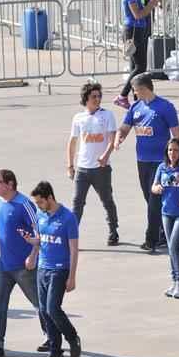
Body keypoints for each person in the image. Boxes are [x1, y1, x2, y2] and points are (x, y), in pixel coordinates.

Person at [0, 170, 46, 357]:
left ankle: (52, 337)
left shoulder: (24, 205)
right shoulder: (0, 202)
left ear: (10, 184)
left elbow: (40, 231)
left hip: (25, 266)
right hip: (4, 264)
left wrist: (33, 256)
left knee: (40, 303)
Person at [115, 73, 179, 253]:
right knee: (150, 199)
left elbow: (177, 134)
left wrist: (177, 159)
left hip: (160, 162)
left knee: (154, 201)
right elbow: (125, 128)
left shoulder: (165, 107)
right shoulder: (136, 107)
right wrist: (118, 138)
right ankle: (163, 234)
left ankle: (150, 240)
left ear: (144, 89)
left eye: (135, 91)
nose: (134, 94)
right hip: (142, 161)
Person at [23, 181, 81, 357]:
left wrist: (72, 276)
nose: (38, 206)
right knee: (44, 311)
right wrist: (32, 252)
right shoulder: (41, 215)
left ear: (49, 198)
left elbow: (73, 249)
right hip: (42, 268)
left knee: (52, 309)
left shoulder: (67, 218)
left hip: (59, 269)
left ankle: (72, 337)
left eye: (40, 202)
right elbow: (40, 240)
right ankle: (56, 354)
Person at [67, 82, 119, 245]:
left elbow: (112, 139)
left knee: (107, 200)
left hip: (101, 169)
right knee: (77, 202)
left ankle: (113, 230)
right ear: (86, 99)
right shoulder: (78, 118)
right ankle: (72, 237)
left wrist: (105, 155)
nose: (97, 99)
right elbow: (72, 142)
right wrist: (70, 165)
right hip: (82, 169)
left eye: (99, 96)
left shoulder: (107, 115)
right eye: (93, 97)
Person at [151, 138, 179, 299]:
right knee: (171, 247)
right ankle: (175, 282)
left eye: (176, 150)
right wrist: (157, 188)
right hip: (166, 212)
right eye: (170, 150)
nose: (172, 153)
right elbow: (154, 186)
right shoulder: (162, 167)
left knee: (175, 245)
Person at [114, 0, 158, 108]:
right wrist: (151, 6)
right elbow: (138, 14)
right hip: (133, 31)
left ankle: (137, 98)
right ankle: (122, 95)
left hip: (137, 31)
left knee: (135, 66)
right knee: (140, 66)